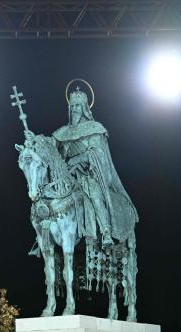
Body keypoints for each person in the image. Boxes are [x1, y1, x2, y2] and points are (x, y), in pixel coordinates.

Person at [51, 86, 138, 248]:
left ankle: (105, 231)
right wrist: (34, 140)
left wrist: (76, 160)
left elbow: (98, 154)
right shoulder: (62, 133)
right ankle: (44, 237)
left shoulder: (94, 128)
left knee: (95, 194)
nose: (74, 109)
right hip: (67, 176)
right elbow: (50, 149)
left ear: (84, 107)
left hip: (87, 174)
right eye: (72, 106)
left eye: (77, 105)